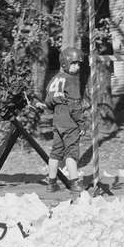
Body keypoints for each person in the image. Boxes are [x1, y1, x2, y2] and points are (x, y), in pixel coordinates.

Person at [43, 46, 84, 192]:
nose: (77, 66)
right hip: (70, 121)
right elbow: (75, 105)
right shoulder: (72, 80)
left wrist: (54, 107)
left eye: (79, 63)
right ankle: (74, 183)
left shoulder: (55, 79)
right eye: (74, 63)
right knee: (71, 152)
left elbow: (48, 101)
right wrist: (81, 123)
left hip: (57, 121)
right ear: (65, 63)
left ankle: (51, 183)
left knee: (56, 152)